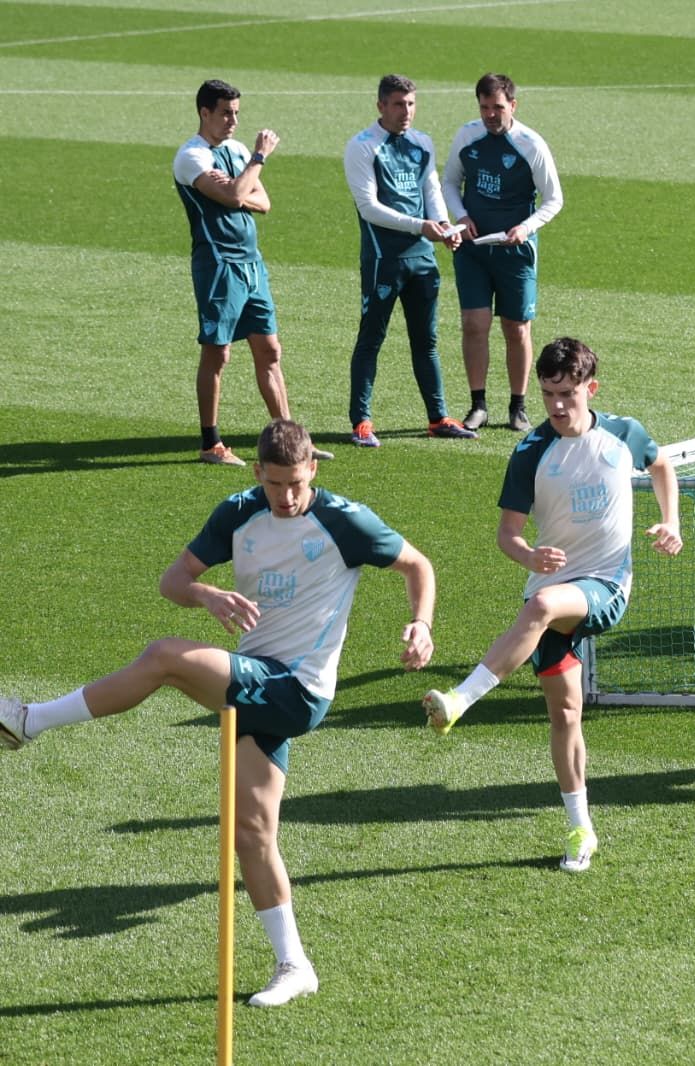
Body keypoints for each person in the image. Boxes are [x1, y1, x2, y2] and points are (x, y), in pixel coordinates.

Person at [0, 419, 437, 1007]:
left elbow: (418, 566)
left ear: (313, 468)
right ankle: (295, 965)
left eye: (296, 482)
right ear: (258, 472)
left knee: (163, 657)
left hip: (299, 688)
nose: (286, 495)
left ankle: (28, 721)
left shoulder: (345, 520)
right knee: (252, 834)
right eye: (275, 482)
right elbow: (173, 580)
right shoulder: (238, 511)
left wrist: (421, 624)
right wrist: (207, 594)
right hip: (255, 685)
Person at [422, 337, 680, 872]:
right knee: (565, 714)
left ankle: (461, 701)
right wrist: (528, 554)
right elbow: (507, 536)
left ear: (591, 388)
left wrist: (669, 519)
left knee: (540, 605)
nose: (557, 406)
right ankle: (581, 828)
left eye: (567, 394)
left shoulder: (623, 433)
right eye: (547, 395)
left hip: (605, 586)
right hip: (553, 586)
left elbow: (661, 466)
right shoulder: (531, 452)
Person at [173, 80, 333, 466]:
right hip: (218, 265)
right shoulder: (191, 157)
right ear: (204, 112)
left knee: (270, 350)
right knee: (219, 351)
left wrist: (242, 185)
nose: (233, 120)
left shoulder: (235, 151)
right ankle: (211, 443)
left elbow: (263, 200)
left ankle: (293, 440)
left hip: (251, 262)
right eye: (226, 112)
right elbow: (234, 196)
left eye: (237, 113)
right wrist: (257, 162)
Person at [343, 74, 478, 448]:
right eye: (399, 104)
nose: (407, 112)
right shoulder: (363, 146)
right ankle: (361, 422)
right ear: (381, 106)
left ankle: (437, 418)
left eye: (412, 104)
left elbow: (430, 190)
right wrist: (422, 226)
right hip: (384, 260)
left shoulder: (422, 143)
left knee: (427, 341)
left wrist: (446, 227)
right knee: (371, 338)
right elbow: (369, 208)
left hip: (422, 259)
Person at [442, 72, 564, 432]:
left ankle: (518, 406)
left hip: (516, 250)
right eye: (484, 107)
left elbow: (554, 198)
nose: (491, 115)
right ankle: (478, 405)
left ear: (513, 105)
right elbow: (449, 180)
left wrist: (525, 228)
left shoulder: (531, 144)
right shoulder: (467, 136)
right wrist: (461, 216)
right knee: (474, 324)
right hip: (473, 247)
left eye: (497, 107)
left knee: (516, 328)